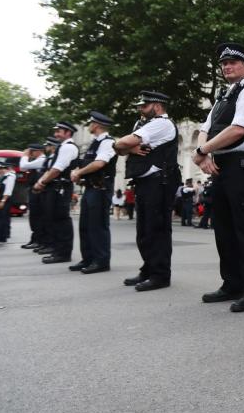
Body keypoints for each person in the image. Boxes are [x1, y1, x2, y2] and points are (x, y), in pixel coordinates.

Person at [194, 42, 244, 312]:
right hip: (222, 165)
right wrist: (202, 153)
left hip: (243, 165)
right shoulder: (222, 97)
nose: (227, 66)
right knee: (224, 228)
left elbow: (239, 130)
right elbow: (205, 128)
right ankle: (232, 283)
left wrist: (203, 150)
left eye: (233, 62)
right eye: (224, 63)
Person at [114, 91, 179, 291]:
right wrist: (127, 148)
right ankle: (148, 269)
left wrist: (123, 146)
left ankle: (160, 275)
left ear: (157, 106)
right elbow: (122, 147)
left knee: (157, 230)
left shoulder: (162, 124)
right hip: (145, 182)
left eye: (144, 105)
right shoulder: (142, 125)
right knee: (144, 230)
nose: (139, 109)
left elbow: (122, 144)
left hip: (159, 182)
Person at [69, 111, 117, 274]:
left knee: (98, 226)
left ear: (96, 125)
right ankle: (88, 258)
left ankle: (101, 261)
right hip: (90, 188)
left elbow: (99, 164)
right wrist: (78, 173)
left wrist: (79, 172)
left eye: (91, 123)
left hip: (100, 189)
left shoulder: (107, 142)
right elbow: (87, 163)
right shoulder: (94, 143)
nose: (89, 125)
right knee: (86, 226)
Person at [33, 122, 80, 265]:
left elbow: (57, 169)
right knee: (54, 219)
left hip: (61, 187)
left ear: (68, 133)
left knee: (61, 220)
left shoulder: (68, 147)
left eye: (59, 131)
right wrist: (42, 182)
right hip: (56, 187)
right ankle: (57, 250)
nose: (56, 134)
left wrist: (41, 182)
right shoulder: (63, 147)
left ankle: (63, 253)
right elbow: (52, 169)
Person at [18, 143, 47, 249]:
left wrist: (25, 155)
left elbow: (23, 166)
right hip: (34, 190)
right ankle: (35, 238)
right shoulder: (37, 161)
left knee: (37, 216)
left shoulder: (42, 160)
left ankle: (39, 240)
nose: (31, 154)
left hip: (38, 192)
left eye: (32, 151)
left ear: (38, 151)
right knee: (34, 216)